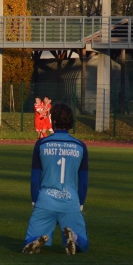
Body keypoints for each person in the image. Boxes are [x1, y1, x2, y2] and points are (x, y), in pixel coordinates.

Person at [22, 103, 90, 255]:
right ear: (71, 122)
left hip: (45, 201)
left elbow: (35, 178)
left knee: (30, 240)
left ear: (52, 120)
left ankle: (36, 241)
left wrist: (35, 201)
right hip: (70, 202)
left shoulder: (41, 144)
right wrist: (80, 203)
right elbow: (84, 182)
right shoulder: (81, 146)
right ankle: (74, 237)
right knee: (84, 246)